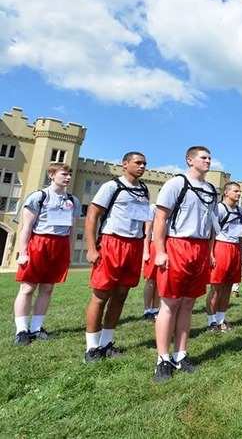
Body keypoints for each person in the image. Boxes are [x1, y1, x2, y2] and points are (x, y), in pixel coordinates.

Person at [152, 146, 218, 382]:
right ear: (190, 160)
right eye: (203, 157)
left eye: (210, 157)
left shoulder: (211, 189)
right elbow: (160, 218)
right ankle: (163, 358)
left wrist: (210, 252)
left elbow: (211, 225)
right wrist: (160, 250)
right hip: (178, 245)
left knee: (189, 304)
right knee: (170, 303)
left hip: (200, 249)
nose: (208, 161)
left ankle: (181, 354)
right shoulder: (175, 184)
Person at [84, 152, 150, 361]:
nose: (142, 167)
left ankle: (107, 342)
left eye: (144, 164)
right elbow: (92, 215)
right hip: (112, 243)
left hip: (134, 244)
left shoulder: (143, 189)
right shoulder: (112, 187)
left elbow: (144, 218)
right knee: (101, 295)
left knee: (121, 294)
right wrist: (91, 248)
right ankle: (91, 347)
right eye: (138, 163)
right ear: (125, 164)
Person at [13, 163, 81, 346]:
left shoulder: (73, 201)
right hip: (39, 243)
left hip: (60, 245)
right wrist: (23, 252)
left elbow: (73, 230)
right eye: (64, 174)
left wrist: (69, 253)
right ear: (52, 175)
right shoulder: (39, 196)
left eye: (69, 174)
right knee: (27, 288)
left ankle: (36, 327)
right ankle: (21, 330)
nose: (67, 177)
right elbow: (25, 228)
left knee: (48, 288)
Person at [206, 181, 242, 332]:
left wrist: (240, 253)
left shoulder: (241, 212)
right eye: (235, 191)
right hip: (221, 247)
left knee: (228, 286)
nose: (239, 193)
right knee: (217, 287)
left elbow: (240, 235)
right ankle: (211, 321)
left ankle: (221, 319)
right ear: (226, 193)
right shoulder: (219, 209)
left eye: (239, 191)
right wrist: (210, 253)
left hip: (235, 249)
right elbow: (211, 233)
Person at [142, 204, 160, 321]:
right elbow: (147, 231)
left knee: (160, 280)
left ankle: (155, 308)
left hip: (165, 245)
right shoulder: (153, 208)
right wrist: (146, 251)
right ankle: (147, 309)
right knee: (151, 280)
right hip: (153, 244)